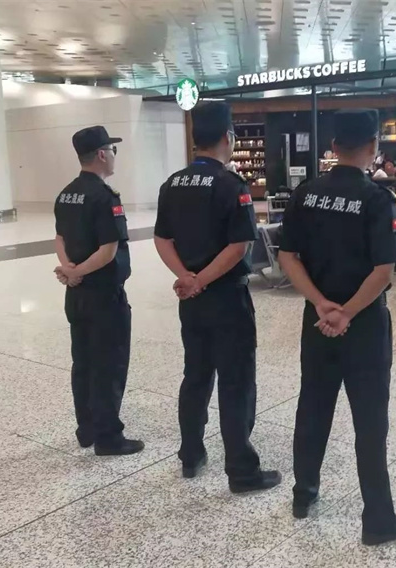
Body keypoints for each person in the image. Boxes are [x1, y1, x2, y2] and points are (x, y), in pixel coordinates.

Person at [278, 108, 396, 545]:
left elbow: (287, 256)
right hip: (365, 324)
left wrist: (321, 304)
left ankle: (303, 493)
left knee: (313, 406)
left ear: (334, 146)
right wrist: (348, 312)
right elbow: (384, 270)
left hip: (316, 321)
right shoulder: (377, 199)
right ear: (373, 146)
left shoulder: (305, 194)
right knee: (369, 420)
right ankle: (378, 519)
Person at [153, 102, 281, 493]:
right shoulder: (231, 185)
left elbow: (162, 238)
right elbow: (239, 245)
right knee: (235, 381)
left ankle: (191, 454)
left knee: (196, 375)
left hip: (191, 302)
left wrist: (186, 278)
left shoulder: (171, 184)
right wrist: (203, 280)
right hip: (227, 298)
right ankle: (241, 471)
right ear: (228, 137)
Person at [53, 126, 144, 456]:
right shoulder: (105, 198)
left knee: (83, 362)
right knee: (109, 364)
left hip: (76, 295)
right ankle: (108, 437)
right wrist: (76, 272)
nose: (115, 156)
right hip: (104, 295)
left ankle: (87, 428)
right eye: (113, 151)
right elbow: (108, 251)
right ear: (102, 155)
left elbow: (60, 239)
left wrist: (69, 270)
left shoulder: (66, 194)